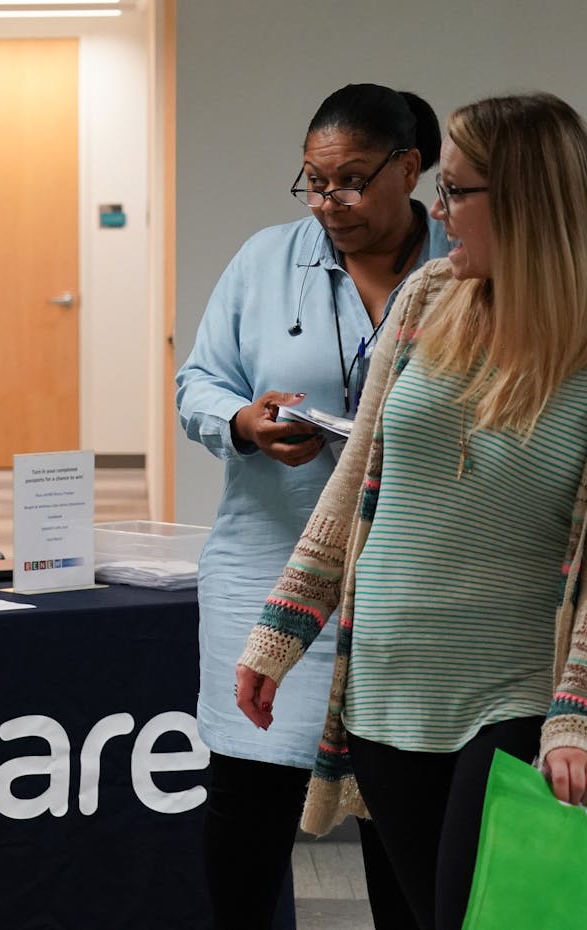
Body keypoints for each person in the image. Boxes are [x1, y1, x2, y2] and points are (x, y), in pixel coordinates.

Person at [236, 91, 587, 930]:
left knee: (496, 917)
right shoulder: (429, 297)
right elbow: (353, 483)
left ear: (528, 200)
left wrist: (575, 709)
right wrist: (280, 630)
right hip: (387, 690)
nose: (438, 209)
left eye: (458, 191)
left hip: (510, 695)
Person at [176, 84, 448, 929]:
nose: (330, 203)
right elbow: (199, 385)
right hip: (267, 567)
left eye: (353, 181)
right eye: (314, 182)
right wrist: (246, 423)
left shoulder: (464, 269)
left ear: (410, 169)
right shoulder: (265, 261)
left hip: (405, 585)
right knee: (249, 817)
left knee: (399, 820)